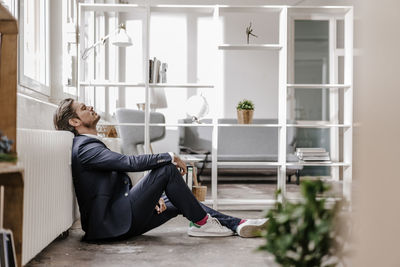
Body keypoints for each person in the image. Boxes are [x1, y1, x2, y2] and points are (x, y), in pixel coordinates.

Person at [53, 98, 268, 242]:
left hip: (120, 220)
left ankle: (237, 224)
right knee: (166, 169)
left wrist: (150, 195)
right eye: (83, 108)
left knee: (176, 201)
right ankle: (203, 223)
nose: (90, 107)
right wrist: (169, 156)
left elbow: (117, 180)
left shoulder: (89, 144)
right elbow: (127, 162)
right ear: (74, 121)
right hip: (109, 226)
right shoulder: (84, 148)